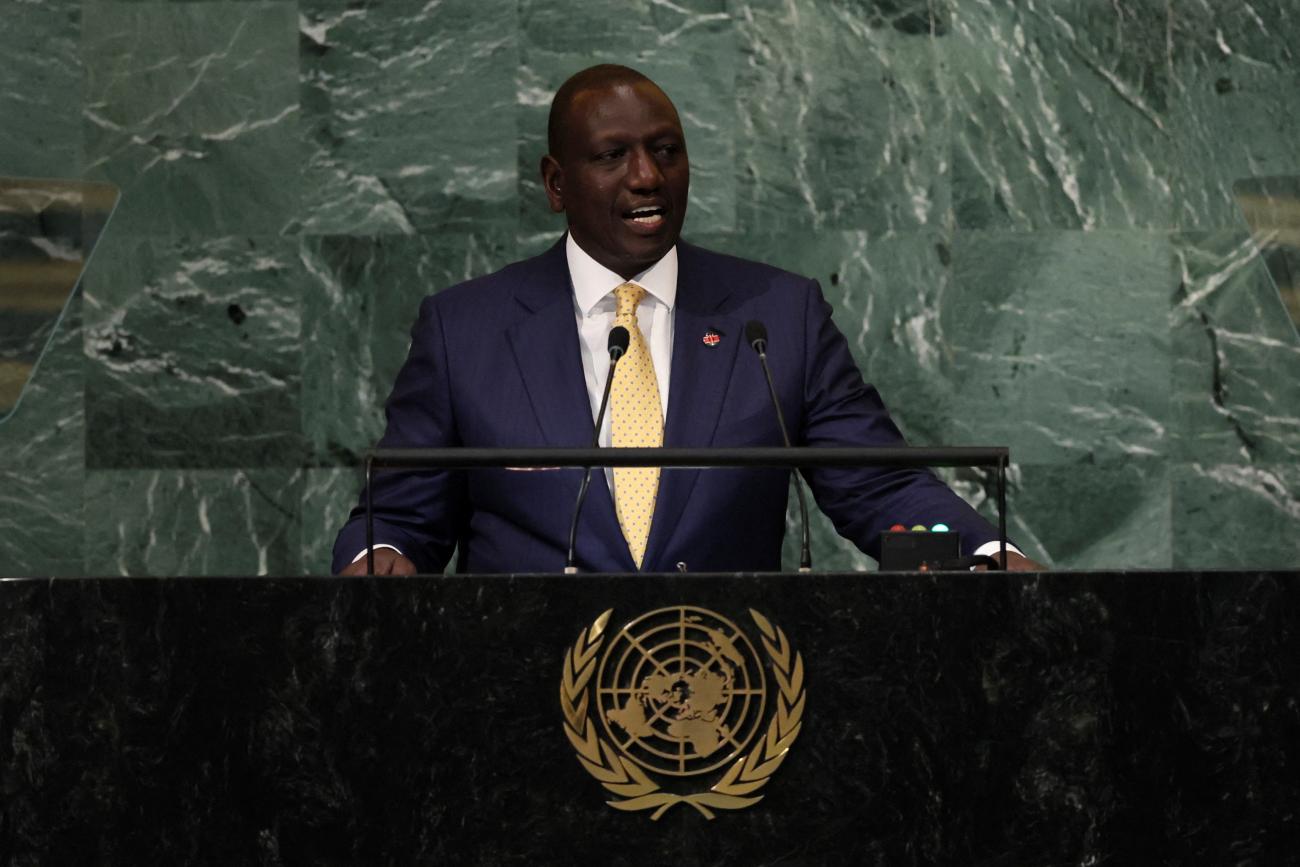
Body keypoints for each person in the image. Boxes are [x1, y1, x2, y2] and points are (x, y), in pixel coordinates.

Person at [333, 64, 1039, 575]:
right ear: (556, 184)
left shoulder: (777, 318)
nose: (647, 176)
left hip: (733, 708)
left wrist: (983, 552)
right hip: (523, 710)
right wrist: (379, 556)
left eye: (666, 152)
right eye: (614, 156)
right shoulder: (466, 330)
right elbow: (399, 517)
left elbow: (879, 482)